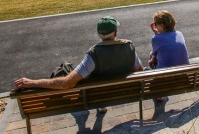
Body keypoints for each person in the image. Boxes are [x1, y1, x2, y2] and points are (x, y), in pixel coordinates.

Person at [14, 16, 144, 112]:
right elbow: (140, 71)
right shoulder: (129, 47)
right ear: (115, 33)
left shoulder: (93, 55)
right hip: (125, 93)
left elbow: (66, 83)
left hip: (97, 97)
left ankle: (101, 105)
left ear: (99, 35)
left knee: (67, 70)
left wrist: (32, 83)